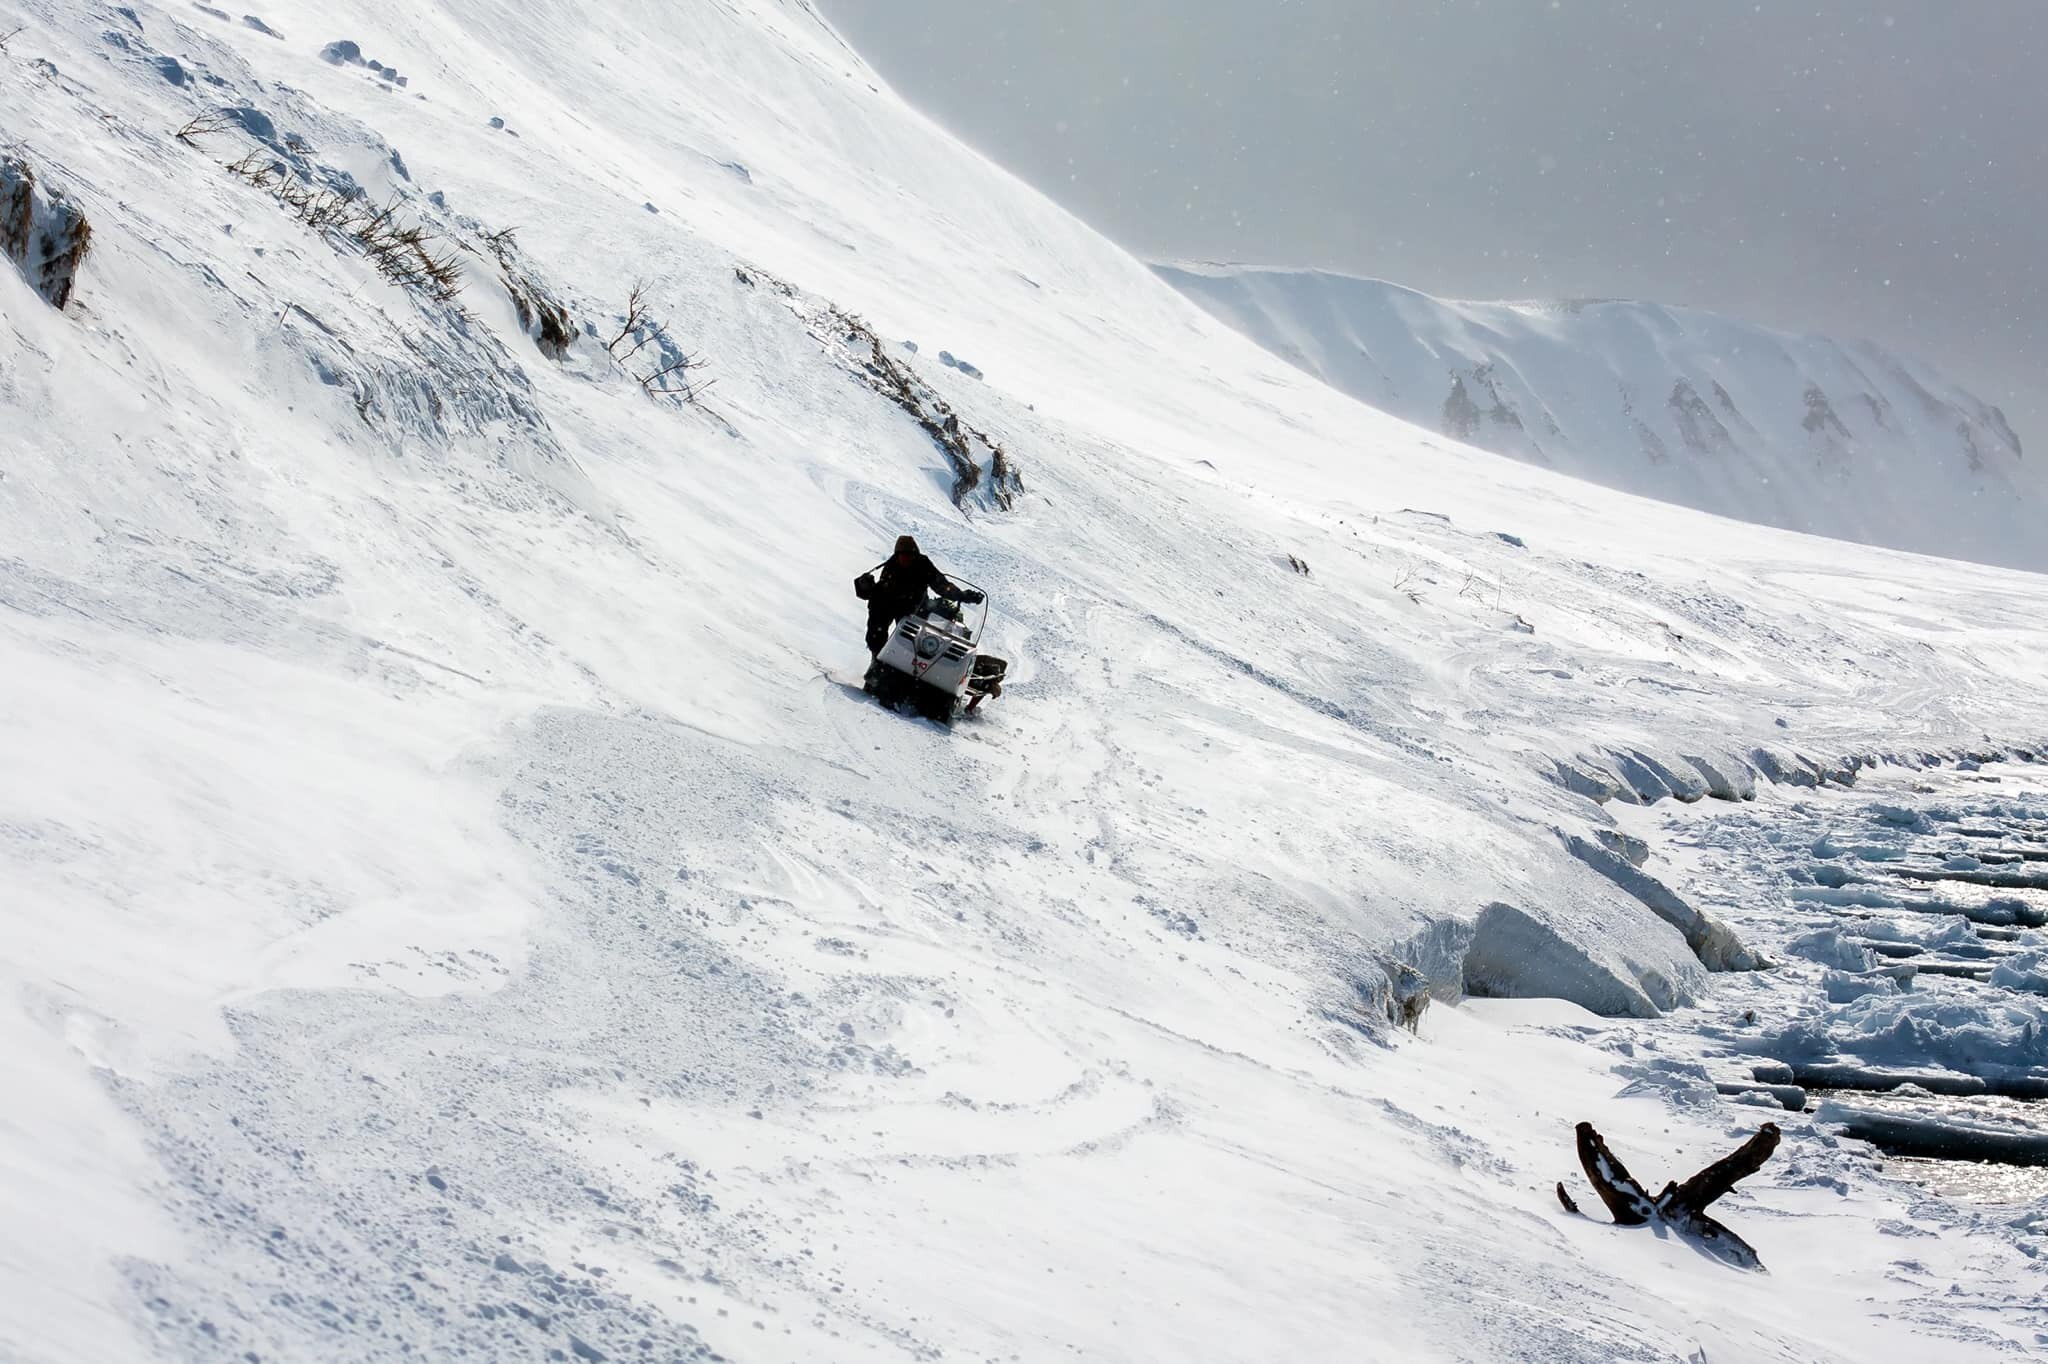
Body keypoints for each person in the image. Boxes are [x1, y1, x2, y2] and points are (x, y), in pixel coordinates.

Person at [856, 535, 980, 657]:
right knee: (876, 634)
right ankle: (877, 661)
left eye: (910, 555)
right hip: (887, 605)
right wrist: (868, 589)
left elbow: (941, 584)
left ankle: (909, 664)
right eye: (903, 555)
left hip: (911, 607)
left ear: (915, 554)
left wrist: (961, 595)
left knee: (910, 639)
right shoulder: (891, 566)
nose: (906, 559)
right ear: (897, 555)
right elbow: (880, 592)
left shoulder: (923, 565)